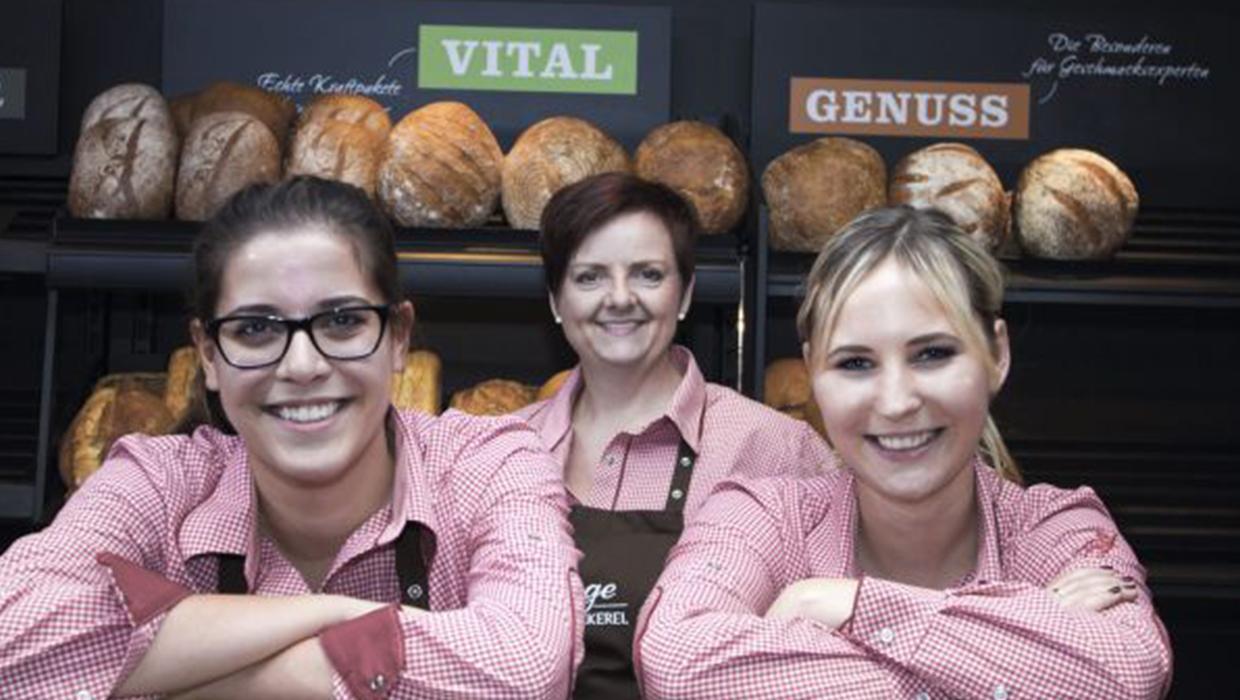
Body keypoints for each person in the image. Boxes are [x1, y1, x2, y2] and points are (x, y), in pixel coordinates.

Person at [0, 176, 582, 698]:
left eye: (341, 321)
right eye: (256, 329)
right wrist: (332, 614)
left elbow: (527, 668)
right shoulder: (159, 480)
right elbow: (12, 643)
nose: (302, 365)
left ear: (399, 338)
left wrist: (190, 667)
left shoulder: (490, 463)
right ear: (208, 355)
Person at [636, 206, 1173, 699]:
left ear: (997, 355)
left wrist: (837, 605)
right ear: (814, 373)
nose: (895, 402)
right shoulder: (761, 518)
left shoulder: (1054, 528)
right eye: (855, 363)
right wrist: (1028, 635)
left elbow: (1126, 673)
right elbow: (679, 665)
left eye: (933, 354)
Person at [517, 172, 834, 699]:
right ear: (555, 299)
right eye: (589, 277)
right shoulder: (505, 452)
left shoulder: (773, 447)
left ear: (684, 292)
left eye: (647, 274)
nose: (619, 299)